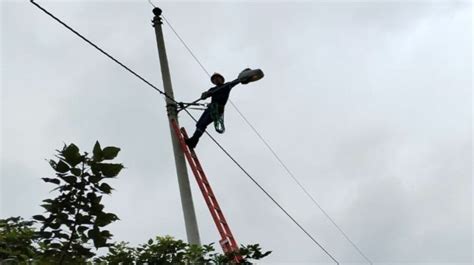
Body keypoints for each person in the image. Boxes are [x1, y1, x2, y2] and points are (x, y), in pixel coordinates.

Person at [185, 72, 240, 149]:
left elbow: (236, 81)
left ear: (222, 79)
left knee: (203, 123)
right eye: (214, 79)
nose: (216, 80)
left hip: (218, 108)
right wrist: (205, 94)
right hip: (211, 107)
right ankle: (194, 140)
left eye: (218, 78)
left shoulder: (227, 85)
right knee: (200, 124)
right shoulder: (212, 89)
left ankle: (194, 140)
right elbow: (204, 95)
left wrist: (244, 76)